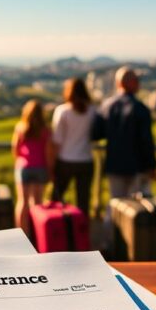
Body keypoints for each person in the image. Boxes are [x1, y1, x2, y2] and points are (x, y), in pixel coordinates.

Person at [92, 66, 156, 198]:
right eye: (136, 80)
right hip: (136, 165)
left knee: (116, 202)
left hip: (114, 163)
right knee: (134, 207)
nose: (139, 83)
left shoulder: (107, 106)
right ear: (128, 83)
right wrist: (151, 166)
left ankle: (112, 220)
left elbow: (96, 134)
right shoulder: (140, 109)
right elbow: (146, 140)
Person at [51, 78, 95, 215]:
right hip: (86, 160)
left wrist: (52, 164)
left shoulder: (63, 111)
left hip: (65, 160)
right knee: (83, 201)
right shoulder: (93, 111)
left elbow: (56, 140)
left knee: (56, 199)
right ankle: (82, 231)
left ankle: (56, 229)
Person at [11, 99, 54, 239]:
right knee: (37, 202)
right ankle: (37, 233)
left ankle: (21, 234)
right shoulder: (46, 130)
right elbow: (48, 153)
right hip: (40, 167)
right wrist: (50, 170)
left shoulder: (20, 127)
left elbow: (15, 148)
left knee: (22, 202)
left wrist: (19, 161)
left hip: (24, 167)